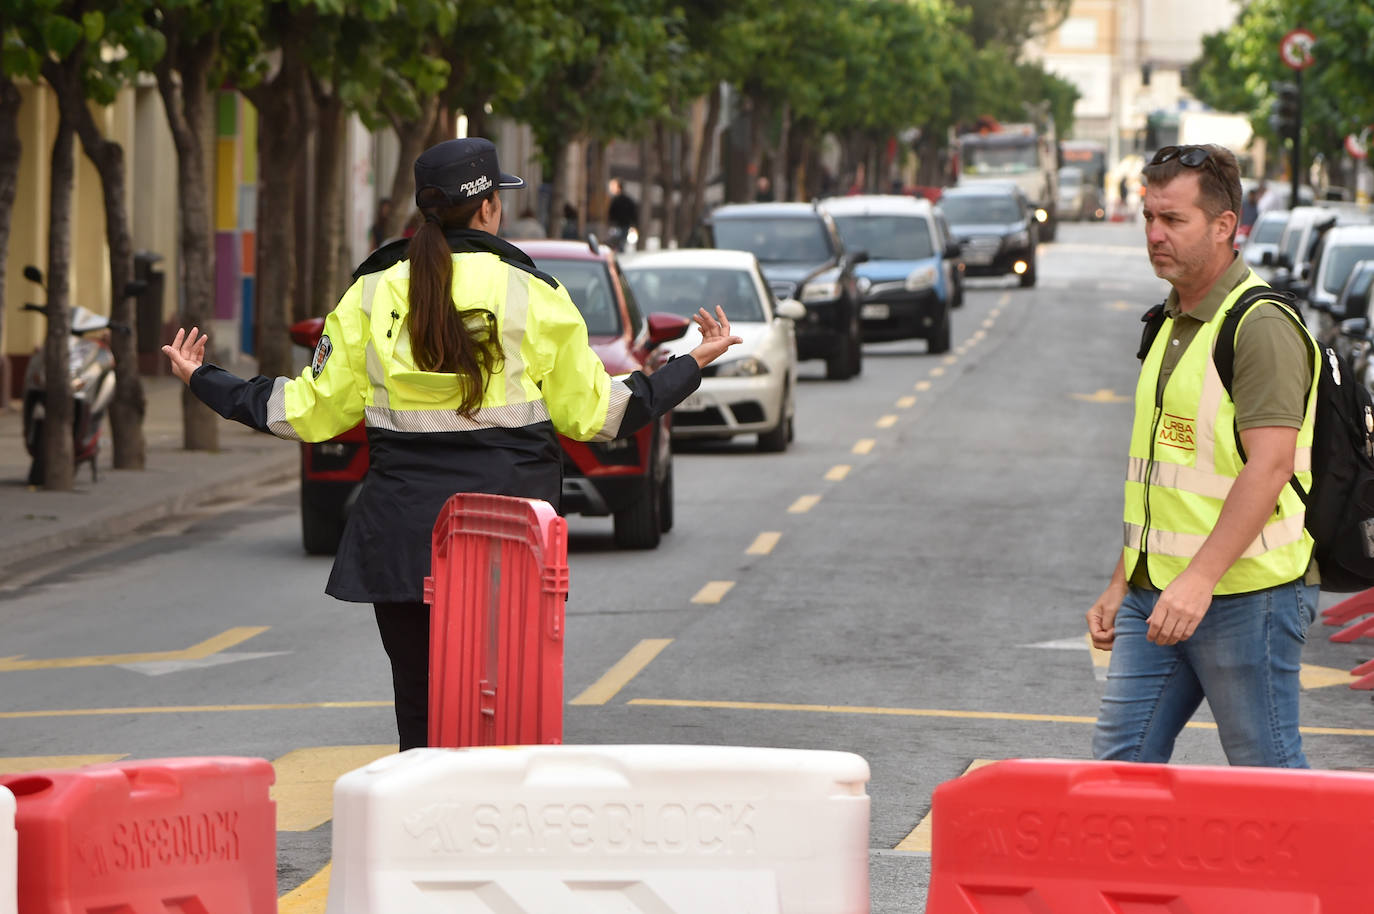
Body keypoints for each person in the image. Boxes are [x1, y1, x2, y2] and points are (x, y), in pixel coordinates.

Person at [161, 137, 742, 751]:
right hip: (508, 543)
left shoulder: (372, 292)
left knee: (419, 714)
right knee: (505, 716)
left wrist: (207, 379)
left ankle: (420, 833)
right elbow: (600, 416)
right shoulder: (534, 295)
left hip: (402, 541)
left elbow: (305, 413)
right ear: (490, 207)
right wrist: (689, 364)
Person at [1086, 143, 1320, 768]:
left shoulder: (1260, 324)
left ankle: (1306, 873)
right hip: (1154, 592)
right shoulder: (1170, 319)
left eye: (1173, 220)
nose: (1155, 235)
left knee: (1266, 773)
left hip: (1246, 595)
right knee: (1118, 767)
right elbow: (1163, 473)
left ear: (1224, 227)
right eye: (1149, 218)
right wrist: (1122, 580)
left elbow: (1269, 467)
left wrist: (1198, 580)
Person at [607, 178, 638, 245]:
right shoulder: (628, 200)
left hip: (618, 225)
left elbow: (611, 213)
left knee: (616, 243)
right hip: (624, 225)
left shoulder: (616, 200)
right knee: (621, 243)